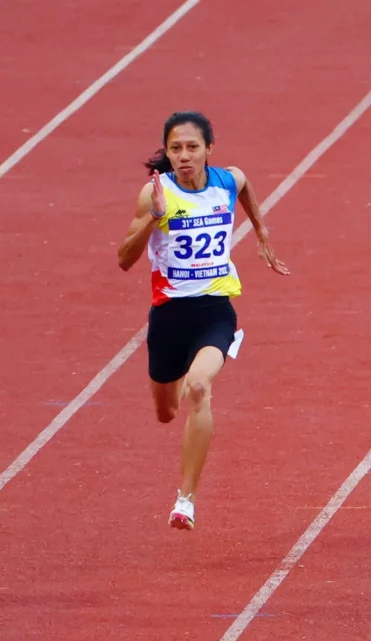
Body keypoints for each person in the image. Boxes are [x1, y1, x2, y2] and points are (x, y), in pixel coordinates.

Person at [116, 111, 289, 531]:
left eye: (192, 147)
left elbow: (243, 184)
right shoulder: (155, 193)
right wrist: (155, 217)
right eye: (175, 148)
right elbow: (124, 259)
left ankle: (186, 499)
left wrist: (261, 231)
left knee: (198, 386)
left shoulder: (225, 181)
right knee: (166, 411)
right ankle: (179, 382)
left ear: (209, 149)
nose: (184, 156)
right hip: (169, 316)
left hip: (215, 311)